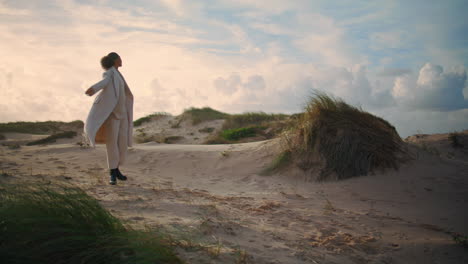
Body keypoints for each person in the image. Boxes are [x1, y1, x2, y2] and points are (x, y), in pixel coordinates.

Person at [84, 52, 134, 185]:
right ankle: (112, 172)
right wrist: (94, 89)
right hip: (112, 115)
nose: (121, 60)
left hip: (122, 114)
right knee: (112, 144)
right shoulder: (110, 73)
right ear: (115, 60)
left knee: (122, 145)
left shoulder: (119, 74)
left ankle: (117, 169)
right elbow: (104, 82)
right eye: (119, 58)